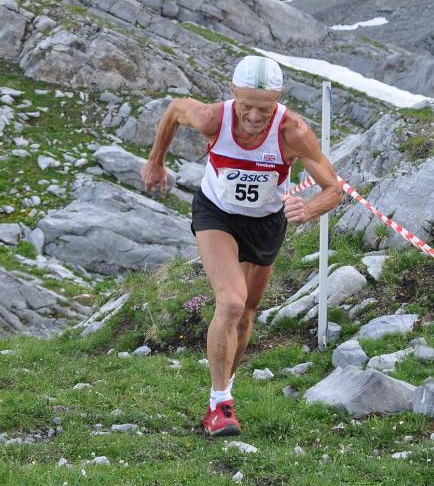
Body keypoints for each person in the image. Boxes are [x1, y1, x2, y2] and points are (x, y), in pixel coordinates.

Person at [140, 55, 342, 437]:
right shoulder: (212, 119)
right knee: (231, 301)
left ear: (278, 99)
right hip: (216, 214)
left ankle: (223, 394)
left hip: (265, 223)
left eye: (264, 108)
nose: (254, 116)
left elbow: (334, 188)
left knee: (247, 313)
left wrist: (310, 208)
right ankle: (220, 405)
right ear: (233, 92)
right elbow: (175, 109)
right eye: (246, 105)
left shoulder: (293, 132)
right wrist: (156, 161)